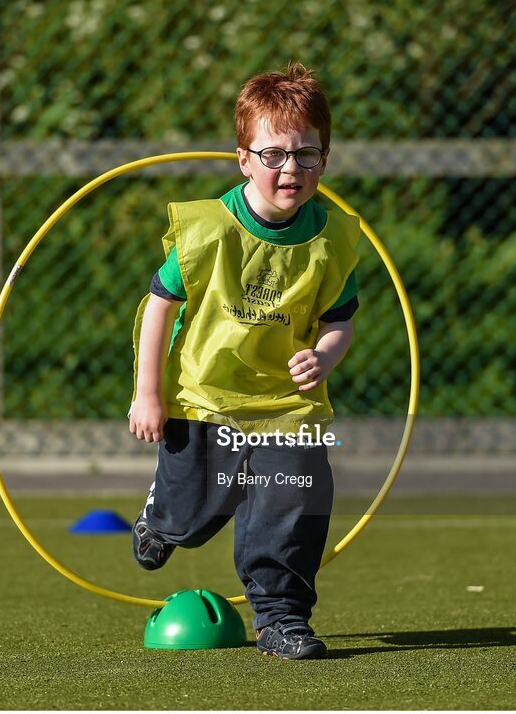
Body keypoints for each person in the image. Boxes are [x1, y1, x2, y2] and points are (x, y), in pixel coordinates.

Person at [128, 62, 360, 660]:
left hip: (286, 404)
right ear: (243, 159)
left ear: (325, 160)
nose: (291, 169)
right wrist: (148, 393)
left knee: (294, 499)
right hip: (204, 394)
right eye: (274, 154)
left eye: (307, 155)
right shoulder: (206, 233)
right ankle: (162, 518)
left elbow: (340, 319)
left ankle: (281, 619)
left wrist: (324, 357)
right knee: (192, 515)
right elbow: (158, 305)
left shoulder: (334, 241)